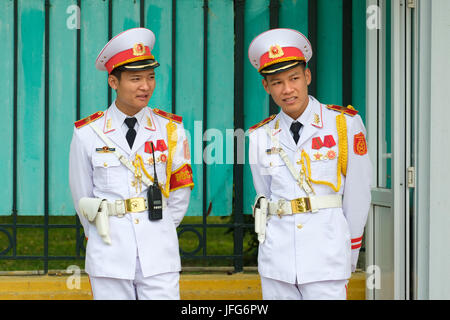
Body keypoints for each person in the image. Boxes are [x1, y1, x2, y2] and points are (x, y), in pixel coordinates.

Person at [69, 28, 194, 300]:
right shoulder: (88, 133)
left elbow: (180, 186)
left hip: (159, 250)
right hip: (109, 249)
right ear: (114, 82)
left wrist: (161, 228)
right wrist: (100, 233)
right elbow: (82, 195)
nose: (145, 86)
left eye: (150, 78)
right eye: (135, 79)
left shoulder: (170, 129)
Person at [248, 28, 372, 300]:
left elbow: (359, 194)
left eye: (294, 78)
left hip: (327, 256)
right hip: (277, 262)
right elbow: (266, 195)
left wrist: (348, 251)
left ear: (307, 76)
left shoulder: (344, 125)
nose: (287, 89)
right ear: (266, 87)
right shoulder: (260, 136)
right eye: (277, 82)